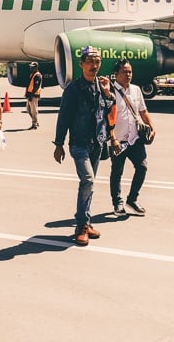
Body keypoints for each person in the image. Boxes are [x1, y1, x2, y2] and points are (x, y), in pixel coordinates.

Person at [53, 46, 116, 246]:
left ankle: (86, 222)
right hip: (78, 143)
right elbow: (64, 117)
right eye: (90, 61)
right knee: (87, 180)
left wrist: (107, 94)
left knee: (90, 184)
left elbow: (109, 110)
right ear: (81, 64)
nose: (94, 65)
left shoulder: (102, 86)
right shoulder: (73, 89)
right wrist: (59, 143)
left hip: (96, 143)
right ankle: (81, 225)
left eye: (97, 62)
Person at [110, 58, 154, 216]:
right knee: (117, 172)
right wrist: (112, 138)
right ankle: (117, 203)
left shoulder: (136, 90)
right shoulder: (109, 91)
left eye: (130, 72)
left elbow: (143, 111)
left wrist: (152, 128)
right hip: (118, 140)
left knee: (142, 167)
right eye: (124, 72)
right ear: (116, 74)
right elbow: (106, 117)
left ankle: (132, 199)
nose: (128, 75)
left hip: (134, 139)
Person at [25, 62, 43, 129]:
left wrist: (31, 95)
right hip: (30, 94)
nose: (31, 67)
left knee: (33, 110)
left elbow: (36, 87)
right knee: (28, 109)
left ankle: (34, 124)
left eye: (32, 66)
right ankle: (36, 121)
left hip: (34, 95)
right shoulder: (33, 74)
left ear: (36, 67)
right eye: (30, 66)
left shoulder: (37, 75)